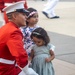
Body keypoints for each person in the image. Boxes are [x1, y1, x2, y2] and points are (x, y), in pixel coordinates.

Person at [0, 1, 29, 75]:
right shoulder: (13, 32)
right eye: (23, 14)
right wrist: (27, 70)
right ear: (14, 16)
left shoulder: (6, 27)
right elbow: (20, 54)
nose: (26, 17)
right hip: (5, 69)